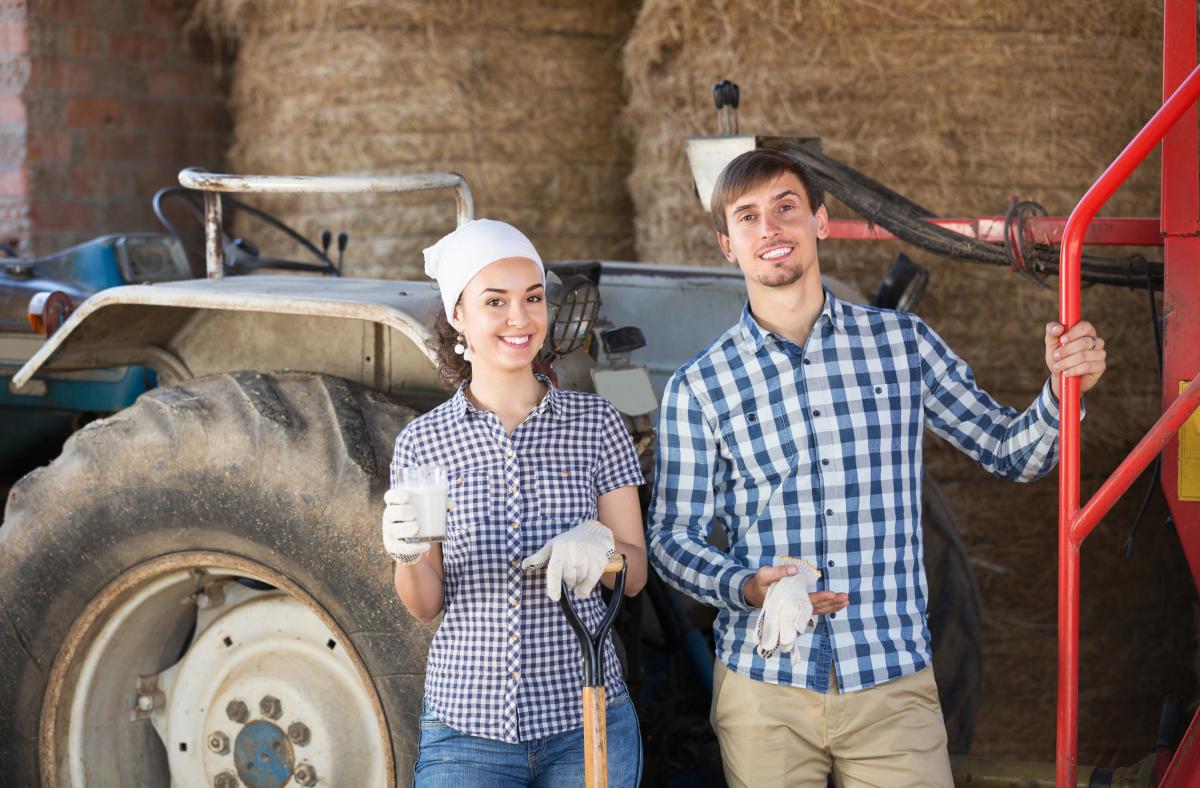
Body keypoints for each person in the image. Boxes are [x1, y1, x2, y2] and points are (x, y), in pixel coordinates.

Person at [647, 149, 1107, 787]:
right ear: (728, 245)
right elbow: (670, 541)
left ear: (821, 221)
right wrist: (748, 586)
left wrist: (1062, 390)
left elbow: (1011, 451)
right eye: (748, 218)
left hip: (891, 684)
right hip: (765, 691)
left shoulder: (901, 344)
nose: (770, 230)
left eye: (786, 208)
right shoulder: (699, 385)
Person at [379, 219, 648, 787]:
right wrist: (407, 554)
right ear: (459, 316)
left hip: (586, 718)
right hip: (465, 734)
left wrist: (598, 549)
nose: (519, 319)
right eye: (494, 301)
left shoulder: (596, 425)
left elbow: (634, 574)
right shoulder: (422, 443)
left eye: (532, 299)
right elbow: (426, 605)